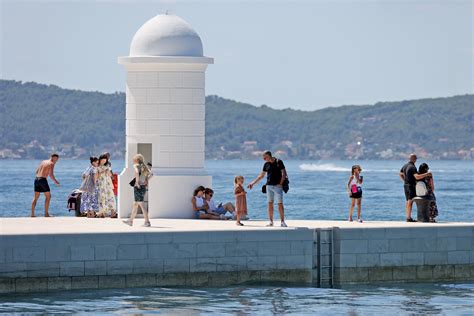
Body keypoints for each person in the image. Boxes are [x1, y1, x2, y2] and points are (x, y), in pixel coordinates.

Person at [248, 151, 288, 227]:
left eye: (265, 157)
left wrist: (280, 183)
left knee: (280, 204)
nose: (264, 159)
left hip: (277, 186)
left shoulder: (278, 162)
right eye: (263, 157)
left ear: (269, 156)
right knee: (270, 204)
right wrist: (252, 183)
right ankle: (271, 222)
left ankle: (282, 222)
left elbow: (284, 173)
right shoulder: (266, 164)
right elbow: (261, 176)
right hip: (269, 186)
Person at [399, 154, 433, 222]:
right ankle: (408, 218)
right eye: (416, 158)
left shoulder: (405, 166)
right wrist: (427, 174)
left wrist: (405, 180)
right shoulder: (412, 167)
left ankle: (408, 217)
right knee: (410, 201)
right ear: (414, 159)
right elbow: (417, 177)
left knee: (408, 201)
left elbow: (400, 173)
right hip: (411, 186)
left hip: (406, 185)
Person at [123, 154, 152, 227]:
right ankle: (130, 221)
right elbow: (151, 174)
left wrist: (137, 182)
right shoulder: (144, 167)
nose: (133, 161)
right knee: (135, 204)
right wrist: (146, 180)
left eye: (134, 159)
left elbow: (136, 172)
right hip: (143, 187)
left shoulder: (136, 166)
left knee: (141, 205)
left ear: (137, 160)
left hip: (138, 187)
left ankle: (147, 222)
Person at [96, 153, 117, 218]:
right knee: (102, 198)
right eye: (103, 160)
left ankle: (113, 213)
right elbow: (96, 177)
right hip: (101, 184)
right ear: (100, 160)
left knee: (110, 197)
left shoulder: (108, 166)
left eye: (105, 160)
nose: (104, 161)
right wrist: (102, 172)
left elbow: (111, 175)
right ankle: (102, 213)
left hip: (107, 184)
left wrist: (108, 171)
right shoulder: (97, 167)